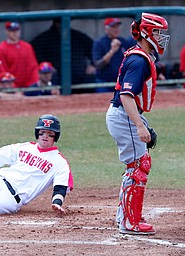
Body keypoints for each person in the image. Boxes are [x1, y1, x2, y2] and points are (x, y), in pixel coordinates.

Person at [106, 13, 170, 235]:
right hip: (124, 115)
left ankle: (126, 215)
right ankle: (129, 222)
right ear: (147, 33)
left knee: (138, 164)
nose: (162, 38)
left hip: (125, 115)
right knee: (138, 166)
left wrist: (141, 122)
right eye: (158, 33)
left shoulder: (142, 56)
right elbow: (126, 95)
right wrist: (140, 126)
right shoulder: (139, 60)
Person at [31, 19, 95, 86]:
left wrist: (93, 65)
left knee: (92, 78)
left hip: (79, 75)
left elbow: (93, 50)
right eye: (59, 23)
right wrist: (47, 67)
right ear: (55, 23)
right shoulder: (44, 39)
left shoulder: (78, 36)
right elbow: (35, 56)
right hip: (56, 77)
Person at [92, 18, 133, 92]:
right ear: (106, 28)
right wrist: (112, 51)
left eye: (117, 27)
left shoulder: (124, 42)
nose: (116, 29)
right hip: (104, 82)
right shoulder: (99, 43)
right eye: (113, 27)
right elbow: (98, 64)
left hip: (121, 81)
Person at [0, 22, 39, 88]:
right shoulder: (1, 49)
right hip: (11, 87)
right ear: (7, 31)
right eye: (12, 31)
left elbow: (33, 67)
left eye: (17, 30)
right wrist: (13, 87)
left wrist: (33, 85)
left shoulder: (27, 46)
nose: (15, 33)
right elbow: (2, 71)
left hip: (29, 86)